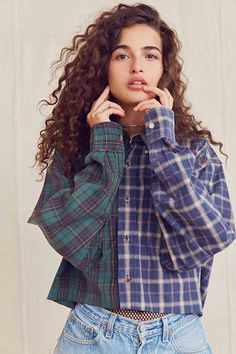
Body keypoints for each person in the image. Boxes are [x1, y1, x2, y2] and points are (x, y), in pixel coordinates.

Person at [27, 3, 236, 353]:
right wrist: (106, 146)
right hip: (92, 334)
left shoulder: (192, 150)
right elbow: (67, 235)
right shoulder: (76, 150)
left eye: (150, 56)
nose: (137, 66)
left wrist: (162, 140)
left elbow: (209, 235)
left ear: (163, 71)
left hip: (177, 336)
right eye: (122, 56)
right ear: (103, 69)